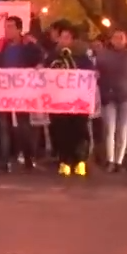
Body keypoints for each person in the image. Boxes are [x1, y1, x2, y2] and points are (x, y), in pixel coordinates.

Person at [0, 16, 44, 172]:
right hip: (4, 92)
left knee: (24, 127)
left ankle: (28, 157)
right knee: (4, 127)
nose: (7, 30)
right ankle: (5, 161)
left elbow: (40, 59)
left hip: (23, 92)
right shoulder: (1, 47)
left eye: (11, 27)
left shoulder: (29, 46)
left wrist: (39, 65)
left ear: (19, 29)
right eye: (6, 27)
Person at [45, 21, 94, 176]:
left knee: (79, 131)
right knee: (61, 131)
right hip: (58, 103)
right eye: (62, 37)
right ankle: (64, 160)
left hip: (78, 103)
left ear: (72, 40)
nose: (64, 40)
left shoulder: (82, 57)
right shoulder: (52, 56)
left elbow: (90, 75)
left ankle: (80, 161)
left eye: (67, 37)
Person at [95, 26, 127, 172]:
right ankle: (110, 160)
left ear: (126, 40)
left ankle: (119, 160)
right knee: (109, 129)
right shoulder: (103, 55)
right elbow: (96, 73)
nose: (118, 40)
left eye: (121, 37)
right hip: (108, 96)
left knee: (122, 129)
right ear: (111, 40)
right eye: (115, 37)